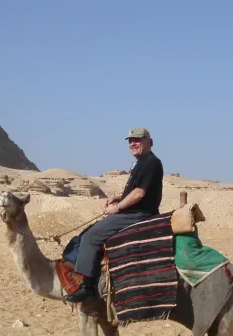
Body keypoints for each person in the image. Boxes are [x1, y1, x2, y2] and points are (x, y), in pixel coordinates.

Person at [64, 127, 164, 303]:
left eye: (138, 140)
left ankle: (86, 287)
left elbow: (139, 193)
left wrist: (117, 208)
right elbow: (137, 191)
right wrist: (117, 198)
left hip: (139, 214)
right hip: (134, 211)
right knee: (90, 231)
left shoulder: (151, 163)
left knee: (92, 236)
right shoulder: (142, 163)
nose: (133, 143)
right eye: (130, 141)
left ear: (149, 142)